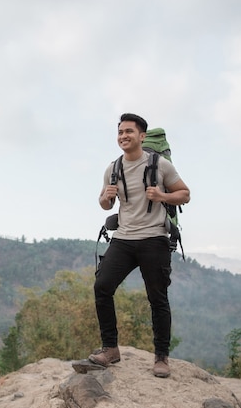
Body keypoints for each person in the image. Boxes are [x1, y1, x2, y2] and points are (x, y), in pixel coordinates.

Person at [89, 113, 190, 378]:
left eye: (129, 132)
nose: (123, 136)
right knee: (102, 287)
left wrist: (162, 195)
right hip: (123, 239)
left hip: (153, 238)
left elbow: (185, 194)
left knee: (157, 299)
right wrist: (105, 198)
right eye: (120, 132)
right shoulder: (112, 168)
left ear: (142, 136)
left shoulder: (160, 165)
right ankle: (110, 349)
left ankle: (161, 358)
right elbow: (104, 203)